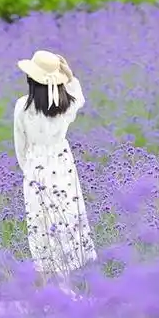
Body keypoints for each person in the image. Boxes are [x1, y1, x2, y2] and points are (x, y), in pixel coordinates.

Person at [13, 50, 97, 292]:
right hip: (63, 167)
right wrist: (69, 76)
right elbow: (79, 96)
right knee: (65, 222)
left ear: (31, 79)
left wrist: (28, 170)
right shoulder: (66, 105)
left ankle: (44, 292)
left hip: (36, 169)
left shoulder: (22, 106)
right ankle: (66, 287)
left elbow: (20, 145)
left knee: (40, 226)